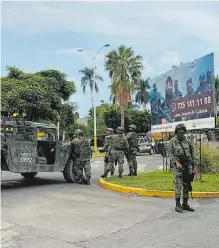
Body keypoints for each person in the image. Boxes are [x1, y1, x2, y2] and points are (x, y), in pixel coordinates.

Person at [168, 124, 197, 213]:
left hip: (187, 165)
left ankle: (185, 204)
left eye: (183, 131)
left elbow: (193, 153)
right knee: (178, 184)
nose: (181, 133)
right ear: (176, 132)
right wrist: (176, 162)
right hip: (178, 166)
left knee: (187, 185)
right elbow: (170, 153)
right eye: (179, 131)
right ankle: (177, 205)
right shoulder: (172, 141)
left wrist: (195, 166)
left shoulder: (188, 141)